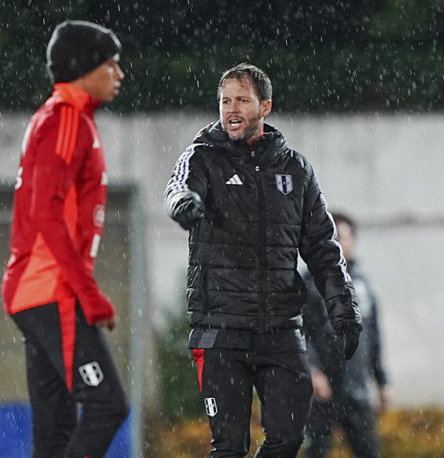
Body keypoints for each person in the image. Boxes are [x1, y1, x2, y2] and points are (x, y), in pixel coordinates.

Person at [164, 62, 363, 457]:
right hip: (220, 329)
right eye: (225, 101)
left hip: (280, 329)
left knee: (289, 439)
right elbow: (178, 187)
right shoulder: (202, 156)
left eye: (241, 100)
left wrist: (344, 309)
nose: (231, 109)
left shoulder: (296, 169)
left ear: (265, 107)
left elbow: (323, 248)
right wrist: (184, 203)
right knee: (229, 448)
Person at [0, 19, 129, 458]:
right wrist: (89, 295)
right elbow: (46, 214)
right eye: (111, 64)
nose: (119, 74)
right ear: (83, 67)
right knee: (107, 406)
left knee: (55, 432)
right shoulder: (66, 119)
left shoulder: (58, 117)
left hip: (35, 292)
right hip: (50, 290)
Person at [302, 212, 389, 458]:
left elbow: (373, 336)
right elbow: (300, 331)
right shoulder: (309, 284)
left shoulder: (363, 285)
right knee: (316, 452)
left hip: (356, 388)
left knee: (368, 451)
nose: (338, 243)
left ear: (353, 241)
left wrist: (382, 381)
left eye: (342, 237)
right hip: (322, 390)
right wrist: (313, 370)